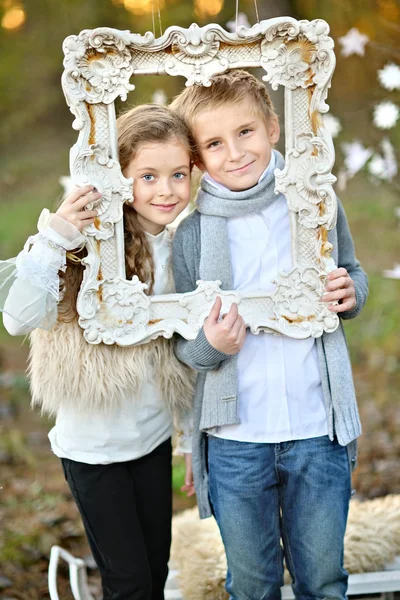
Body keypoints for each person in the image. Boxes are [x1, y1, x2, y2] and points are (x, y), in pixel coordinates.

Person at [170, 70, 369, 600]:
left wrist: (352, 292)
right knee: (253, 584)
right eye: (214, 143)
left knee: (324, 580)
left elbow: (352, 271)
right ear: (196, 157)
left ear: (275, 128)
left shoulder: (313, 206)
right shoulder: (191, 235)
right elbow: (181, 346)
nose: (234, 153)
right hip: (237, 441)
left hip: (315, 428)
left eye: (246, 132)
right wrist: (213, 345)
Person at [0, 104, 195, 600]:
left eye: (177, 174)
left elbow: (186, 350)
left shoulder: (183, 247)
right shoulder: (86, 244)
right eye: (148, 176)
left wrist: (190, 443)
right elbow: (17, 317)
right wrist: (56, 237)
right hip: (93, 449)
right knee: (128, 582)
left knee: (154, 572)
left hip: (151, 440)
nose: (165, 190)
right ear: (120, 177)